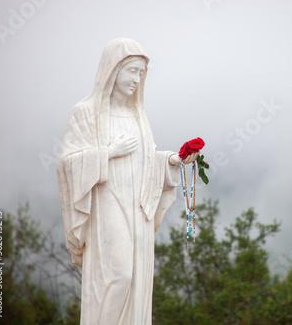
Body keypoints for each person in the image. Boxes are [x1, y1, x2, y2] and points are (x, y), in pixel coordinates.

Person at [57, 38, 197, 324]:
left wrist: (172, 160)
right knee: (120, 274)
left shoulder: (138, 117)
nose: (137, 79)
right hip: (107, 200)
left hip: (138, 204)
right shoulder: (85, 112)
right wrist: (109, 153)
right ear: (113, 69)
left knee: (136, 279)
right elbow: (67, 163)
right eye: (132, 71)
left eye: (142, 74)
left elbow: (148, 158)